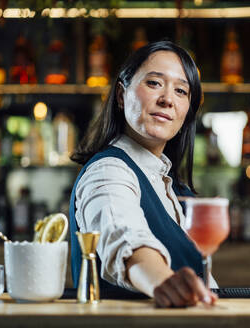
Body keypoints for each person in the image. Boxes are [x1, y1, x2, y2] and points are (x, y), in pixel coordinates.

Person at [69, 41, 218, 308]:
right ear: (121, 94)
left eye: (181, 91)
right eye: (154, 83)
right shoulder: (109, 170)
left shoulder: (169, 186)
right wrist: (161, 280)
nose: (168, 99)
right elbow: (123, 235)